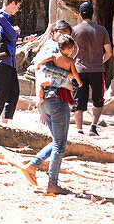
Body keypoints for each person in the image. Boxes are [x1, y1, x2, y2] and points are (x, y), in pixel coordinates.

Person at [18, 20, 76, 195]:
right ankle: (50, 181)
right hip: (55, 99)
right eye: (63, 32)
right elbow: (44, 69)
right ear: (54, 31)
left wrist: (40, 98)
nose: (66, 36)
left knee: (57, 142)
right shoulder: (53, 49)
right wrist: (68, 78)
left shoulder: (48, 47)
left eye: (68, 34)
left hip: (46, 101)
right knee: (60, 144)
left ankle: (34, 167)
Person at [72, 2, 113, 135]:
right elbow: (109, 52)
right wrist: (100, 61)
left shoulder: (74, 30)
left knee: (78, 100)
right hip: (97, 70)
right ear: (93, 14)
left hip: (79, 70)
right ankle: (93, 127)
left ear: (80, 15)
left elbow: (68, 50)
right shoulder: (102, 30)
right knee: (98, 99)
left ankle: (79, 129)